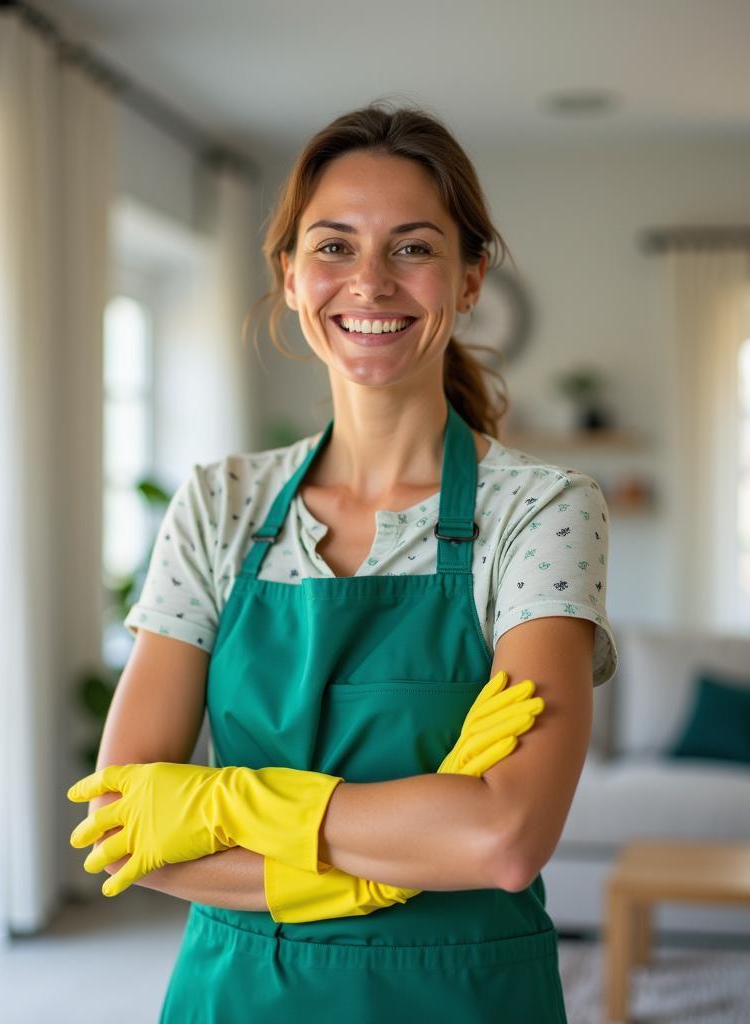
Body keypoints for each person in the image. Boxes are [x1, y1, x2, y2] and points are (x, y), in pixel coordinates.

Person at [68, 101, 619, 1023]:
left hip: (462, 997)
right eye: (333, 246)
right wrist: (386, 862)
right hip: (236, 995)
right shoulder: (219, 506)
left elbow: (506, 837)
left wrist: (225, 799)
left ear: (470, 277)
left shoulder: (542, 511)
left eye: (412, 247)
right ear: (289, 276)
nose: (369, 282)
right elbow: (125, 827)